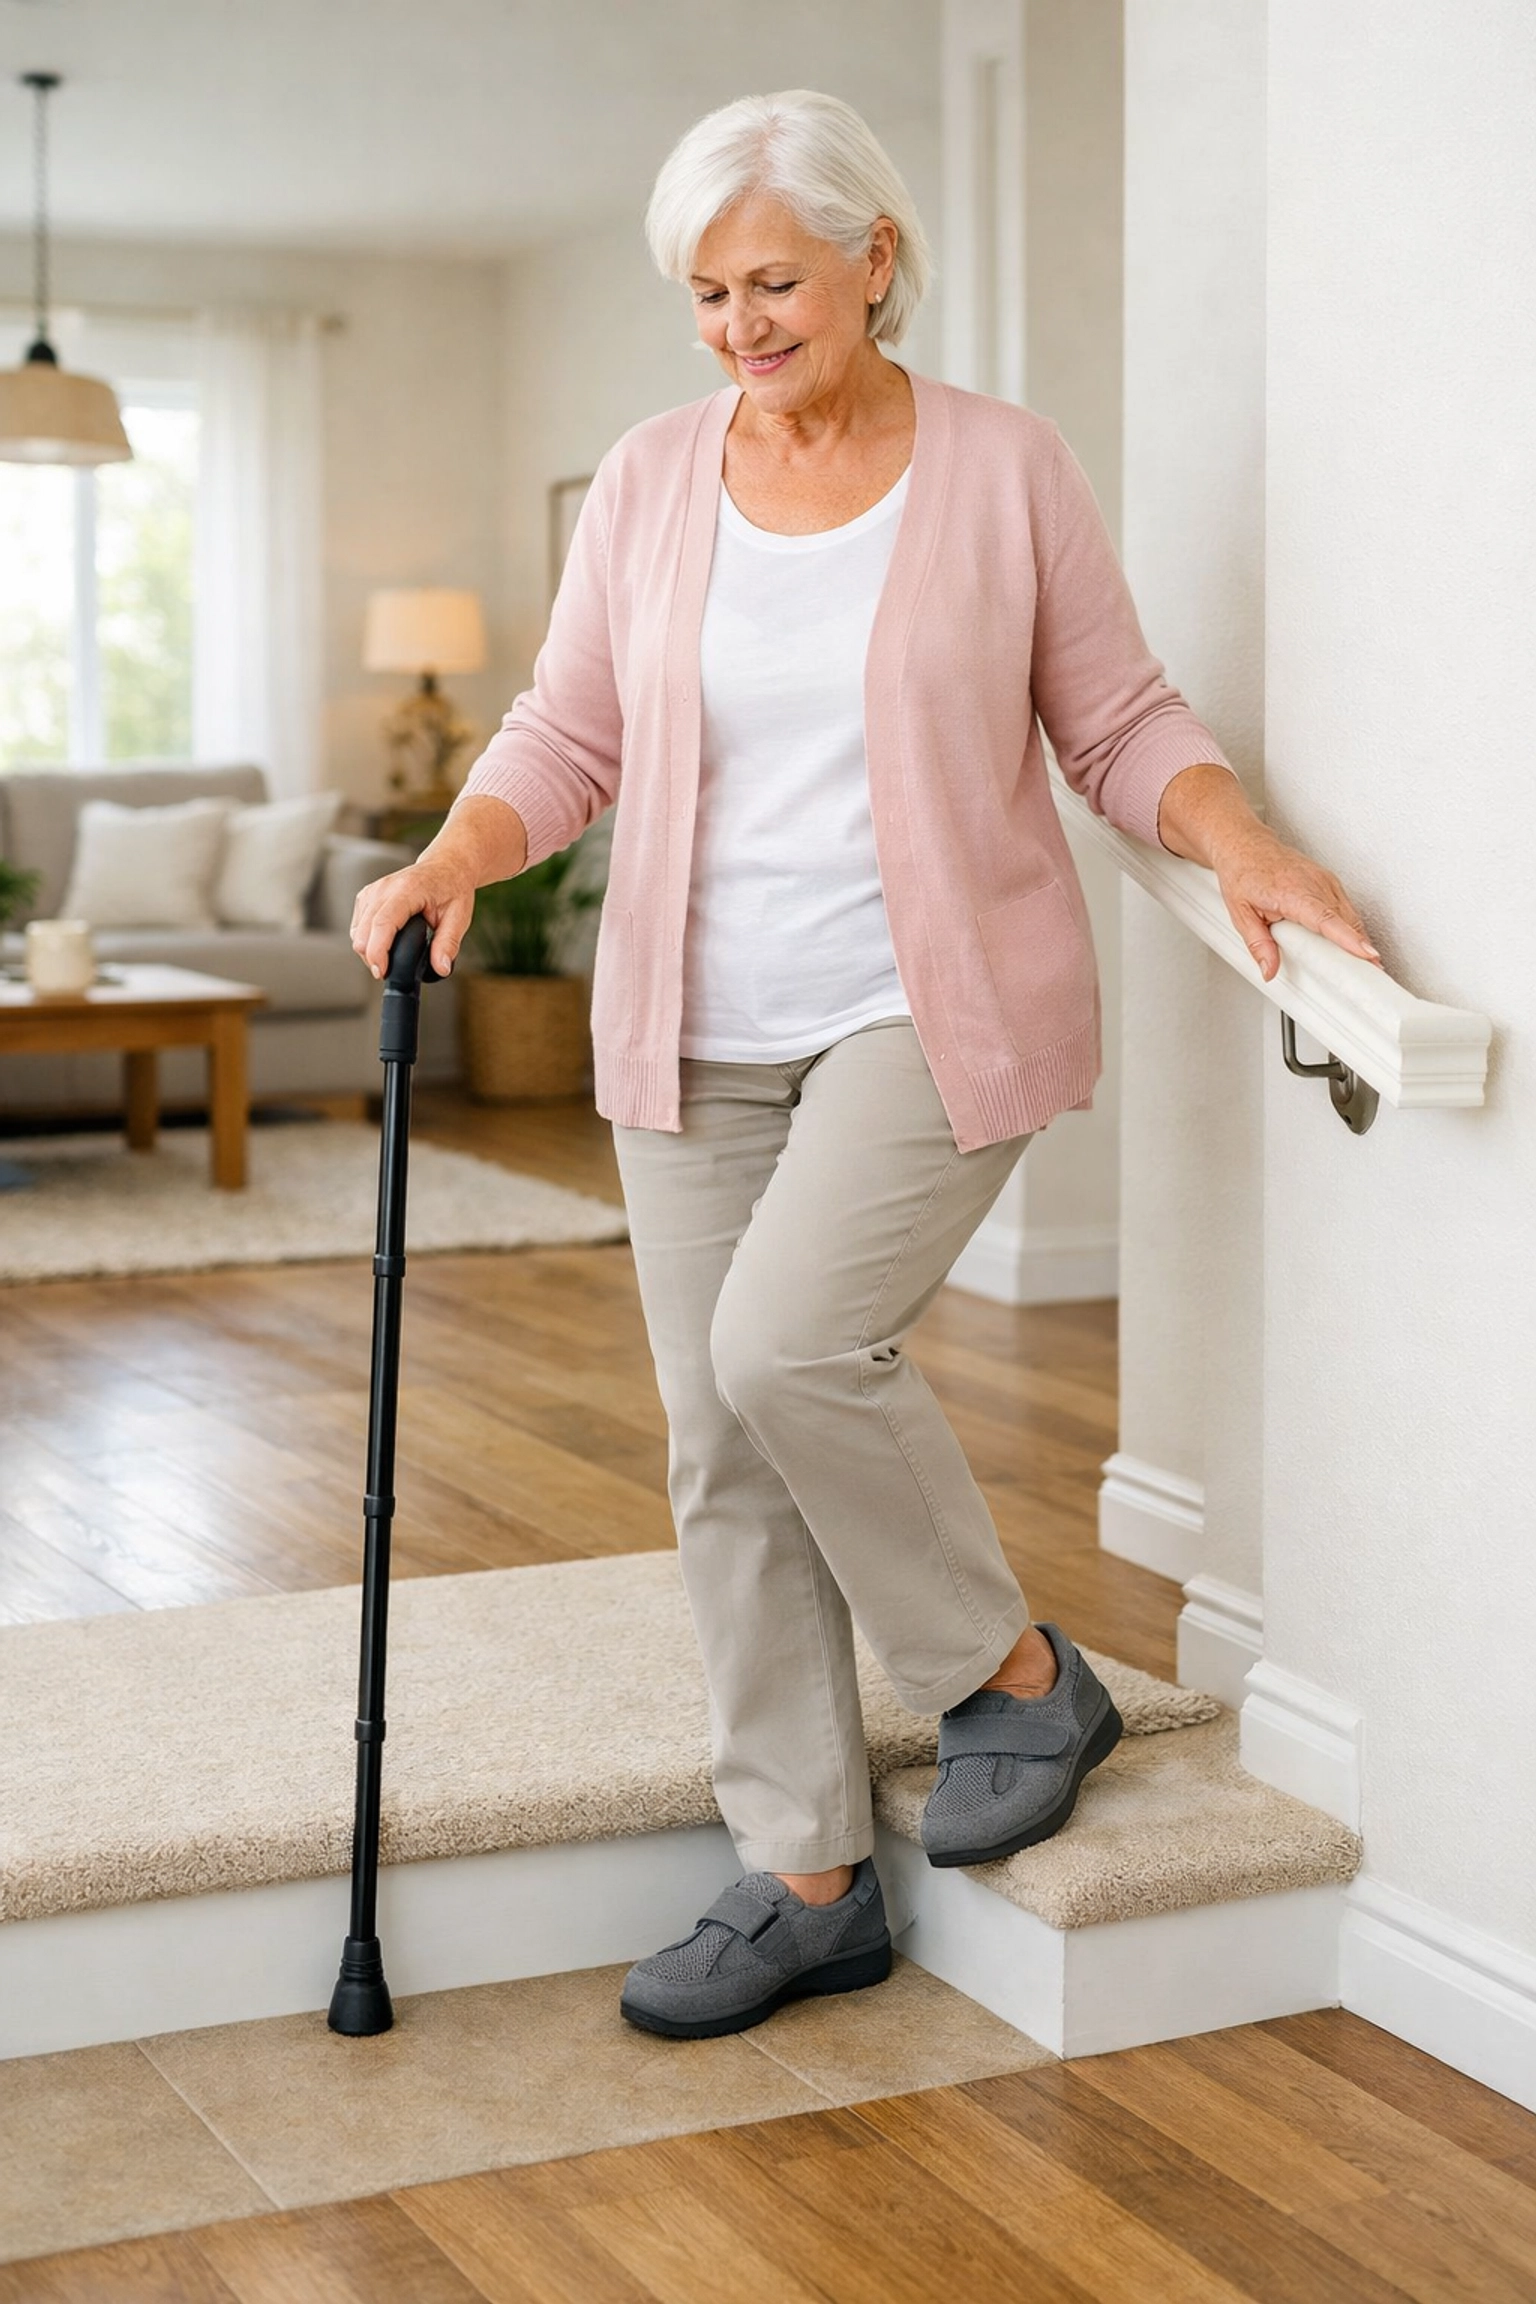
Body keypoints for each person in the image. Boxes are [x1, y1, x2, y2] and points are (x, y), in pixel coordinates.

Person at [352, 90, 1380, 2041]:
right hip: (691, 1023)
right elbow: (568, 733)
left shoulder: (998, 470)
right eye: (709, 292)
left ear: (874, 262)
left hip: (928, 1000)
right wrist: (453, 857)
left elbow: (1116, 710)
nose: (742, 322)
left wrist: (1242, 842)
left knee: (787, 1346)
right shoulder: (656, 482)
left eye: (774, 282)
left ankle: (1007, 1677)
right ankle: (806, 1867)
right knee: (719, 1446)